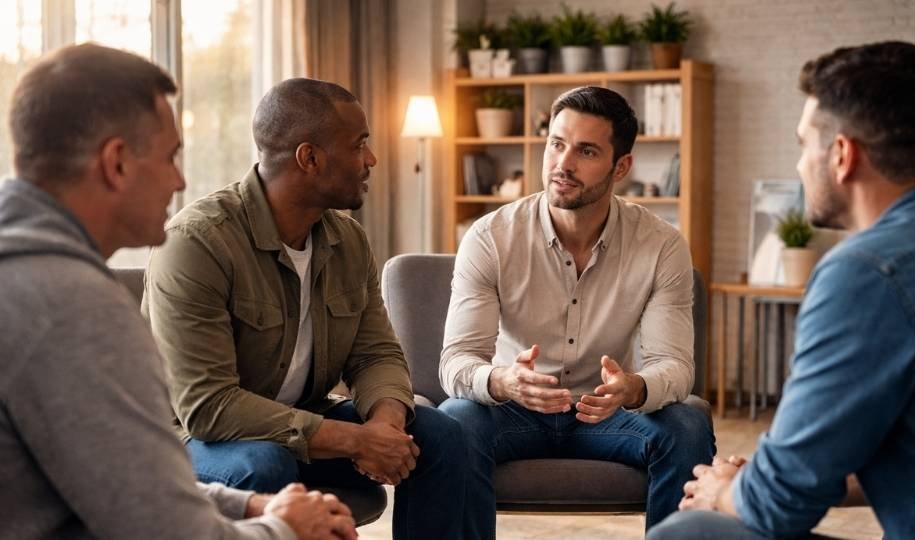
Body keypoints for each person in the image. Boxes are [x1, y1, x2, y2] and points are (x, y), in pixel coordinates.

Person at [0, 43, 356, 540]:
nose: (180, 179)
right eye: (170, 157)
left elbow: (129, 480)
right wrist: (284, 530)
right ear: (117, 162)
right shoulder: (71, 307)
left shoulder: (26, 274)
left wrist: (251, 505)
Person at [648, 41, 915, 539]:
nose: (799, 165)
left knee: (686, 534)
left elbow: (776, 508)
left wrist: (724, 492)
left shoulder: (868, 273)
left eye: (802, 144)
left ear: (841, 155)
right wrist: (776, 474)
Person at [142, 78, 472, 540]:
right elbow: (207, 407)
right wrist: (355, 440)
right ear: (309, 158)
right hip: (196, 442)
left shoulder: (348, 240)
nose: (371, 160)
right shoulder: (197, 243)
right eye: (360, 145)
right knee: (263, 462)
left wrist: (385, 426)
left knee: (444, 437)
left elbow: (375, 353)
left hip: (307, 427)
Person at [438, 85, 716, 536]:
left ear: (621, 166)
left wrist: (634, 388)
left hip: (608, 413)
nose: (562, 164)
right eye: (556, 143)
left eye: (585, 150)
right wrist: (504, 380)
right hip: (513, 408)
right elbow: (455, 362)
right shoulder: (490, 237)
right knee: (453, 419)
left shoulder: (661, 245)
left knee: (686, 423)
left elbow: (676, 366)